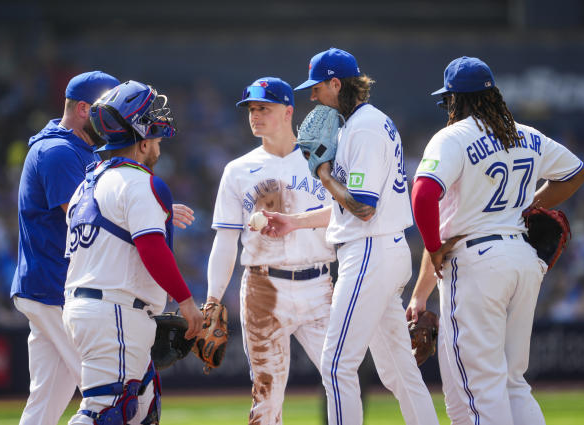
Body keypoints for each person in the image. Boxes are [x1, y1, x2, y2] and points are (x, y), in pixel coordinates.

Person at [406, 56, 584, 425]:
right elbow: (575, 174)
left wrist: (432, 245)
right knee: (512, 382)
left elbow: (423, 195)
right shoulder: (525, 134)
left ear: (455, 100)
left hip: (477, 264)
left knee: (477, 391)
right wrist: (532, 203)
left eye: (448, 101)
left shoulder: (452, 137)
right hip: (521, 260)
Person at [262, 48, 439, 425]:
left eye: (317, 87)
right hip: (378, 249)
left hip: (370, 253)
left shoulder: (364, 127)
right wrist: (294, 221)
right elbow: (348, 211)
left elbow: (363, 207)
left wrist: (324, 172)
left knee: (337, 364)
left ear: (336, 83)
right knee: (398, 372)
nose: (312, 96)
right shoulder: (360, 125)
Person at [62, 80, 203, 425]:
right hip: (114, 311)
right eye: (153, 129)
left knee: (141, 409)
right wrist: (185, 301)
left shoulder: (89, 183)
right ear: (140, 138)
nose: (157, 139)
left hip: (94, 307)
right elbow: (152, 250)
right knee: (107, 410)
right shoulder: (141, 182)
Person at [206, 76, 336, 424]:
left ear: (288, 111)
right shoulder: (237, 170)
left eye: (264, 107)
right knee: (266, 392)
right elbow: (225, 239)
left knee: (342, 376)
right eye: (251, 108)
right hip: (264, 286)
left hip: (319, 282)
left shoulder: (322, 160)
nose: (255, 115)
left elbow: (346, 217)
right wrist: (213, 299)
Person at [11, 70, 120, 425]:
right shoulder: (58, 151)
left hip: (50, 287)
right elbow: (85, 218)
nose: (114, 121)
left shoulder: (76, 148)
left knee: (44, 404)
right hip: (55, 288)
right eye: (109, 111)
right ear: (85, 109)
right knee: (106, 392)